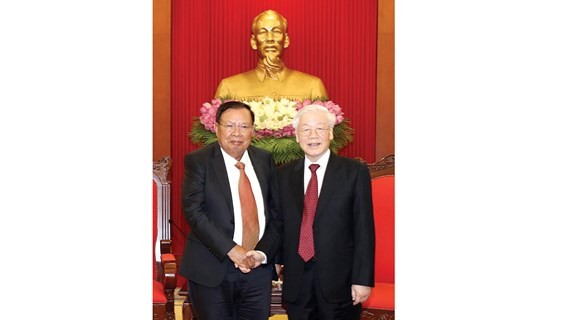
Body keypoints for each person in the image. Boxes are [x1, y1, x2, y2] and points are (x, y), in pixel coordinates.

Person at [179, 101, 283, 319]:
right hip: (212, 267)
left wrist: (262, 253)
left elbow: (276, 213)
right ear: (216, 128)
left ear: (253, 130)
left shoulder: (264, 159)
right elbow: (194, 211)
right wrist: (232, 250)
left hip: (258, 269)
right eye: (230, 125)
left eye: (244, 126)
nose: (237, 133)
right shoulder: (199, 161)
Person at [276, 105, 375, 320]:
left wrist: (362, 279)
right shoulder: (283, 174)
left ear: (330, 133)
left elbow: (363, 228)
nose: (313, 136)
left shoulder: (354, 172)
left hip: (340, 282)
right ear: (296, 136)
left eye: (320, 129)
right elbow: (278, 224)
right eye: (306, 130)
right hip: (297, 280)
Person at [214, 10, 329, 101]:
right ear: (253, 42)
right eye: (263, 32)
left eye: (277, 32)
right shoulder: (228, 87)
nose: (270, 39)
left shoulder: (312, 86)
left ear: (286, 40)